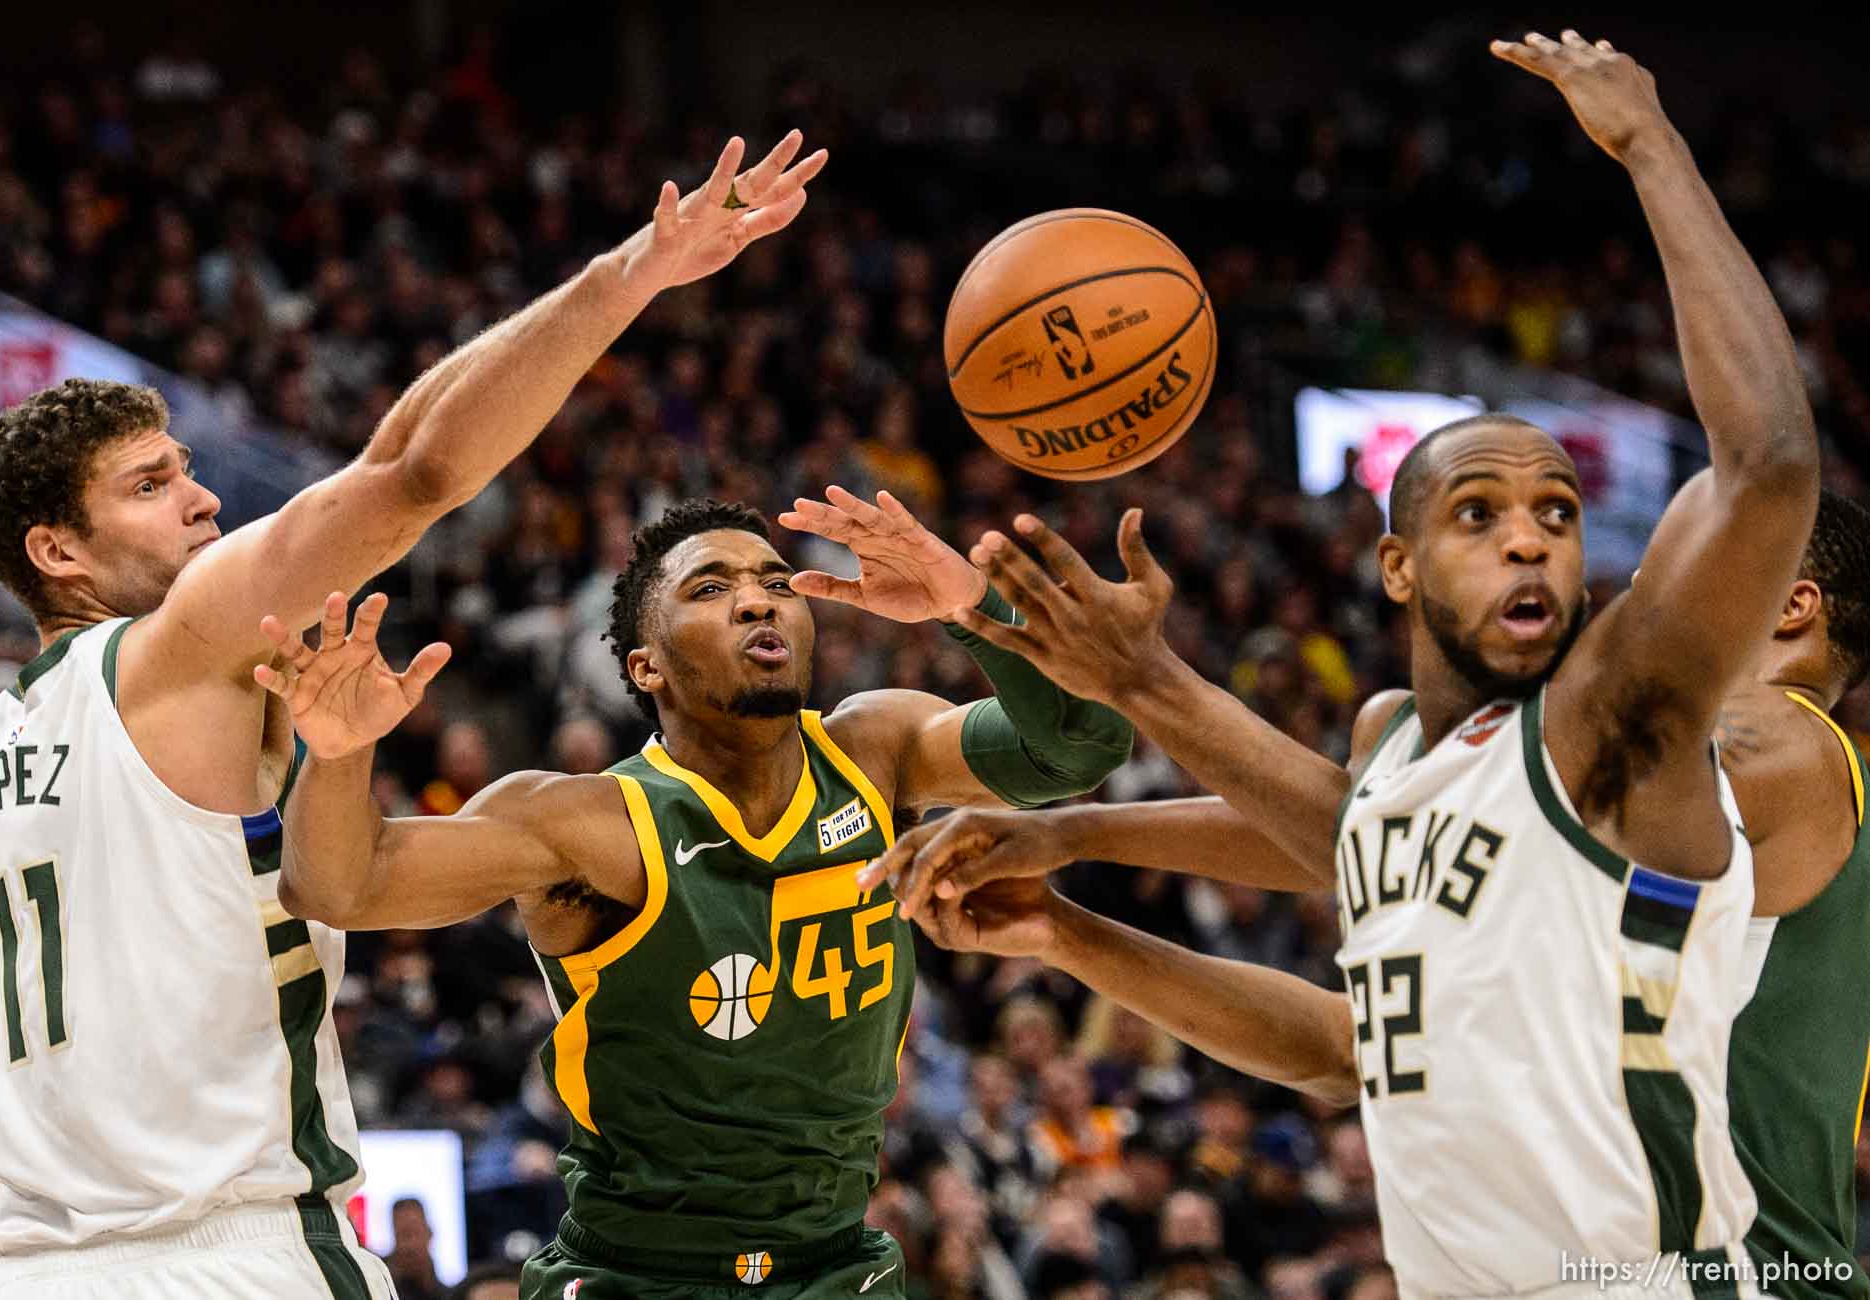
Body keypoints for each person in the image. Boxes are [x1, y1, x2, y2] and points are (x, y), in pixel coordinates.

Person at [871, 30, 1820, 1297]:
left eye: (1558, 513)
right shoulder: (1404, 759)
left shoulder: (1615, 723)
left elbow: (1767, 468)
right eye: (1478, 514)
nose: (1530, 539)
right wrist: (1070, 913)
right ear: (1397, 566)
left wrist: (1652, 147)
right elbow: (1338, 1033)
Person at [0, 129, 826, 1299]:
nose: (200, 498)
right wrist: (633, 273)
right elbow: (410, 473)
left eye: (185, 467)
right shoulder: (179, 651)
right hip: (233, 1262)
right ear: (58, 553)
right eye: (150, 486)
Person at [886, 491, 1870, 1296]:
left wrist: (1144, 686)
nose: (1638, 590)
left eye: (1670, 572)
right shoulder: (1572, 805)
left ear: (1790, 606)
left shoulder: (1779, 741)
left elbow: (1384, 832)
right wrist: (1062, 911)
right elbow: (1343, 1046)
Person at [253, 488, 1133, 1298]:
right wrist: (336, 753)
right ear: (646, 669)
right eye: (709, 588)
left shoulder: (879, 747)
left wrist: (965, 601)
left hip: (836, 1265)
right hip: (636, 1273)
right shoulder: (586, 822)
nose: (758, 600)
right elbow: (339, 888)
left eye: (775, 580)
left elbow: (1078, 748)